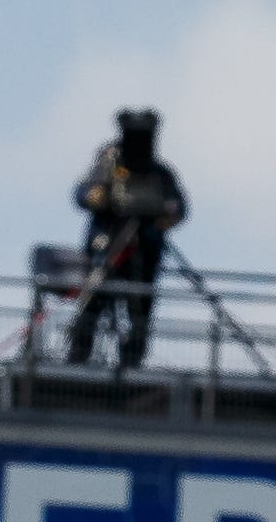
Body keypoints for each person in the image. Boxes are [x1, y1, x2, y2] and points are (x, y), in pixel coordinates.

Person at [63, 107, 187, 371]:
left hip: (145, 254)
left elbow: (180, 207)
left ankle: (132, 360)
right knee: (93, 304)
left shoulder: (160, 174)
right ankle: (78, 356)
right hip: (107, 252)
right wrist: (97, 196)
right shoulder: (107, 169)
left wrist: (164, 215)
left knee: (139, 312)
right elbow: (82, 193)